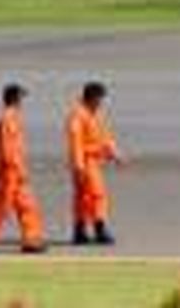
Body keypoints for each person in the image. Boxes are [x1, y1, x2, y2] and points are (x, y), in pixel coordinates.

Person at [0, 83, 47, 255]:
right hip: (10, 172)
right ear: (14, 98)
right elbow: (8, 149)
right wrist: (17, 169)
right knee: (0, 208)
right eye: (21, 97)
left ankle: (31, 240)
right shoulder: (7, 119)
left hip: (17, 171)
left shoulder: (14, 117)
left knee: (28, 206)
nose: (22, 101)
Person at [65, 81, 125, 245]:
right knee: (97, 195)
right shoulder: (78, 115)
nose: (101, 102)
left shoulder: (94, 114)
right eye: (99, 98)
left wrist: (114, 154)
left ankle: (80, 231)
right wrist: (79, 165)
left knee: (84, 198)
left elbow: (104, 137)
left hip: (93, 160)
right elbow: (75, 141)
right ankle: (99, 229)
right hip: (85, 161)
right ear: (92, 97)